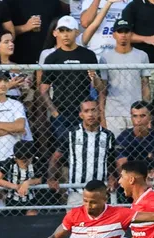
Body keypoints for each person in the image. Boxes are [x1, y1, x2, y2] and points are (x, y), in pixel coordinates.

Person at [40, 16, 102, 148]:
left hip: (84, 112)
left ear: (77, 32)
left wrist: (94, 77)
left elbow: (101, 87)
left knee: (85, 148)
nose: (65, 35)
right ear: (56, 33)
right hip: (61, 113)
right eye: (61, 31)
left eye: (68, 30)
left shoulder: (88, 55)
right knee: (63, 151)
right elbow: (43, 89)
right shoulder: (52, 58)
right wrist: (55, 113)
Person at [48, 100, 115, 207]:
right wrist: (52, 178)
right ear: (81, 114)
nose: (90, 114)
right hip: (77, 193)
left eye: (94, 110)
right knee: (75, 223)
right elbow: (56, 158)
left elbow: (110, 160)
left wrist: (112, 176)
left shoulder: (108, 136)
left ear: (99, 112)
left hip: (100, 193)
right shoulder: (71, 134)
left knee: (99, 223)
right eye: (86, 111)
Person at [99, 19, 150, 137]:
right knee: (115, 149)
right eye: (120, 31)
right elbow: (102, 90)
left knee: (139, 148)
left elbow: (146, 86)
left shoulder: (142, 55)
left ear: (131, 34)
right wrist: (103, 116)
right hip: (113, 113)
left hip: (137, 112)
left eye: (126, 31)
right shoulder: (105, 57)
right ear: (114, 35)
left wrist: (147, 113)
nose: (123, 35)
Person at [0, 140, 43, 216]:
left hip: (30, 199)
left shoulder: (35, 161)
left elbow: (39, 179)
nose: (25, 164)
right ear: (16, 158)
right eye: (23, 161)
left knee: (32, 214)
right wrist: (15, 186)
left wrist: (27, 182)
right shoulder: (10, 161)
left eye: (27, 160)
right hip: (12, 199)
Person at [115, 102, 154, 181]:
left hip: (152, 182)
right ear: (131, 118)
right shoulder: (123, 137)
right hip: (130, 182)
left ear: (150, 117)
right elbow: (122, 169)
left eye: (143, 116)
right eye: (135, 116)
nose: (138, 120)